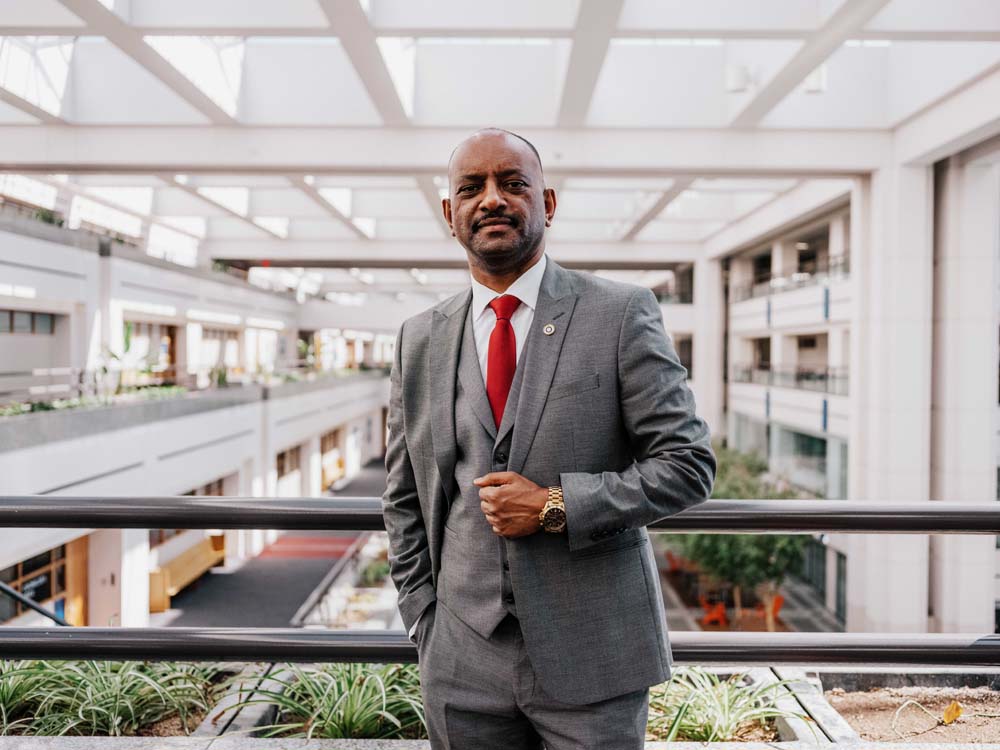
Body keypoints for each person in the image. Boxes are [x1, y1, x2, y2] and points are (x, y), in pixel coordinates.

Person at [382, 128, 716, 749]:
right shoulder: (419, 336)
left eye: (513, 184)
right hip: (459, 656)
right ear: (449, 213)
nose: (491, 199)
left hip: (595, 652)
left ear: (548, 203)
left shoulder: (620, 312)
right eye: (470, 188)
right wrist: (421, 617)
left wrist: (555, 506)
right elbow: (403, 493)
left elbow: (688, 463)